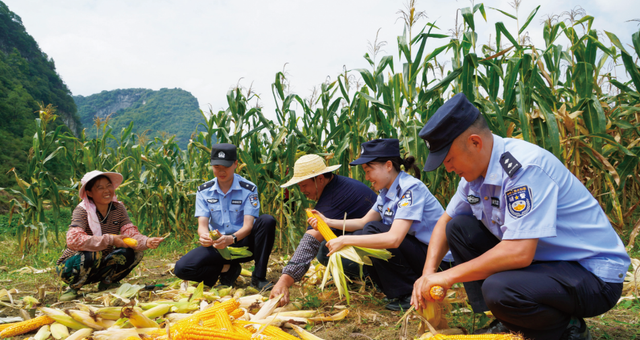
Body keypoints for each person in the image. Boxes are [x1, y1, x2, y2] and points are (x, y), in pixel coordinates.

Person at [411, 93, 631, 340]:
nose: (448, 168)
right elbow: (445, 222)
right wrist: (428, 273)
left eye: (449, 159)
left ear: (475, 142)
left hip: (592, 275)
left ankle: (566, 329)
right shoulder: (474, 177)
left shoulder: (523, 168)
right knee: (459, 228)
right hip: (548, 263)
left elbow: (519, 252)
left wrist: (447, 275)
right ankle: (504, 319)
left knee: (499, 289)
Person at [314, 139, 453, 311]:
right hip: (415, 253)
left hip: (436, 262)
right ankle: (389, 285)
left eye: (368, 170)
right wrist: (327, 222)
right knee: (365, 231)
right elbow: (363, 221)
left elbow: (394, 239)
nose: (366, 177)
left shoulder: (410, 188)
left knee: (371, 232)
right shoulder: (385, 191)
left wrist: (345, 241)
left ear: (388, 165)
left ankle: (408, 291)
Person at [270, 154, 377, 306]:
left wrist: (284, 281)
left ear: (319, 179)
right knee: (326, 246)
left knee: (324, 252)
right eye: (299, 186)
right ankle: (353, 276)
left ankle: (371, 277)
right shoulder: (337, 186)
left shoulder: (333, 198)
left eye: (304, 185)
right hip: (367, 238)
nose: (302, 191)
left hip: (379, 248)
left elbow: (310, 242)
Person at [174, 143, 276, 290]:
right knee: (182, 268)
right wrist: (204, 237)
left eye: (226, 167)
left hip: (244, 243)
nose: (221, 171)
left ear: (235, 164)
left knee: (267, 221)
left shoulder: (248, 188)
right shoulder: (204, 191)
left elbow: (248, 226)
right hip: (218, 245)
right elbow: (202, 225)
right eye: (217, 167)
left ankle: (259, 277)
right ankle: (227, 270)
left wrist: (231, 239)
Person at [56, 170, 165, 301]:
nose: (107, 190)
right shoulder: (82, 211)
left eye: (109, 186)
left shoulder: (118, 208)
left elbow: (129, 232)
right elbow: (73, 239)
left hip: (101, 261)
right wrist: (111, 239)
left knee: (135, 252)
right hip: (72, 266)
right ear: (89, 193)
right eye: (100, 188)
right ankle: (73, 287)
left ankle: (107, 282)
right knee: (93, 253)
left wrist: (146, 241)